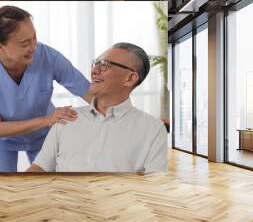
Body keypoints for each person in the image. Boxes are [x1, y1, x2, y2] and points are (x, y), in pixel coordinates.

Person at [0, 6, 93, 172]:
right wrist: (46, 120)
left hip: (42, 135)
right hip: (1, 139)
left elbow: (88, 92)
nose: (33, 47)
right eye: (24, 43)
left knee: (46, 184)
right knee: (5, 188)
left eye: (34, 38)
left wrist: (113, 113)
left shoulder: (48, 56)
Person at [27, 42, 168, 173]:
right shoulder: (66, 118)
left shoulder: (153, 129)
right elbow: (40, 167)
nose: (94, 70)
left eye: (105, 64)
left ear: (130, 78)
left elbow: (155, 183)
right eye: (95, 63)